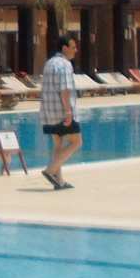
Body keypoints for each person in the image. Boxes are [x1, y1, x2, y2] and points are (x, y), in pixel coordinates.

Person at [38, 32, 83, 189]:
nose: (75, 50)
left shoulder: (49, 63)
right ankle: (50, 171)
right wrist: (68, 112)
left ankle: (59, 181)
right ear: (64, 48)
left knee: (58, 144)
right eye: (73, 47)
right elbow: (65, 90)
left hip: (48, 112)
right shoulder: (65, 64)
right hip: (62, 112)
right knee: (76, 142)